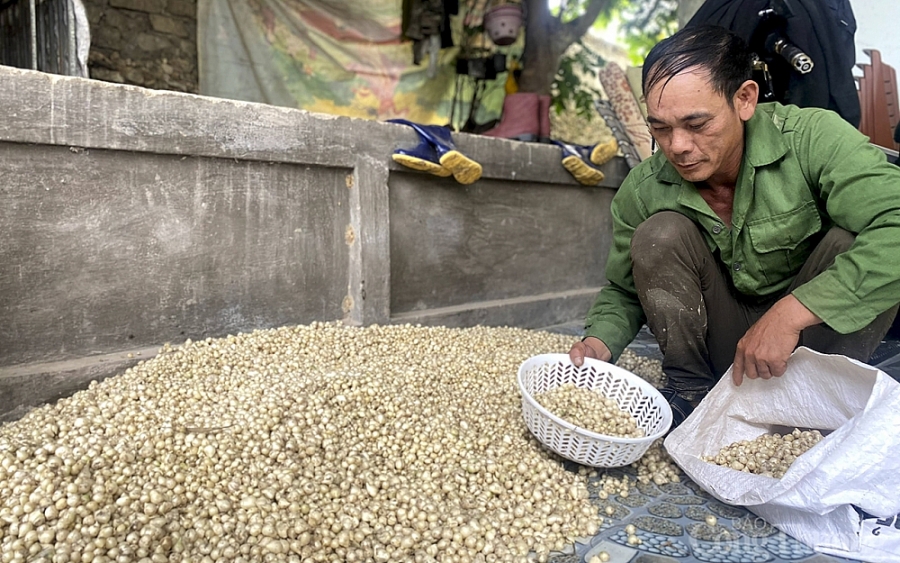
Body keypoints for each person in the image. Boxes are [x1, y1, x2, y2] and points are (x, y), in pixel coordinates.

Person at [568, 25, 900, 428]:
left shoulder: (811, 138)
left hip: (815, 344)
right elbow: (623, 291)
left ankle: (813, 405)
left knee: (855, 237)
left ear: (744, 99)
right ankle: (690, 394)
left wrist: (791, 314)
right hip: (726, 353)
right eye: (661, 128)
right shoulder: (644, 189)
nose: (677, 146)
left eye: (696, 124)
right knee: (659, 235)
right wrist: (599, 343)